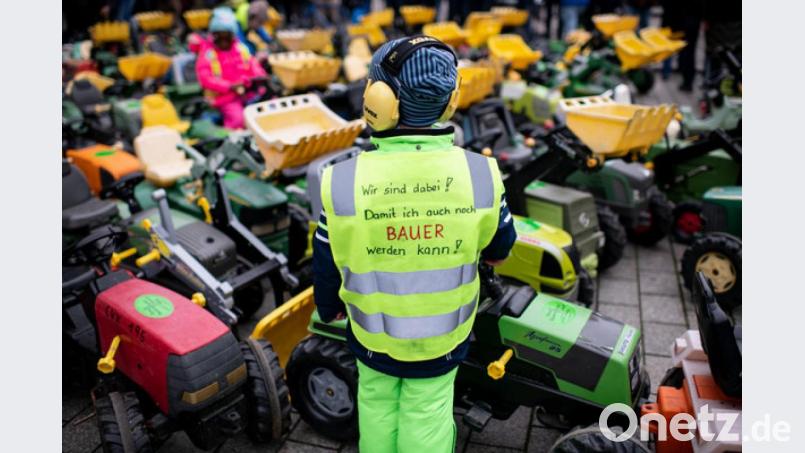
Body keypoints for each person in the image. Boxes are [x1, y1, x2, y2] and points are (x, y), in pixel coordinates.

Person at [312, 36, 517, 452]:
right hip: (443, 339)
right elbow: (500, 249)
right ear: (451, 100)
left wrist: (328, 306)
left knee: (376, 406)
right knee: (429, 412)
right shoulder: (482, 173)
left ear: (379, 100)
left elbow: (326, 259)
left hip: (373, 338)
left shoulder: (343, 179)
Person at [195, 7, 266, 129]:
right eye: (219, 37)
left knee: (267, 108)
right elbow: (205, 78)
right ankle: (233, 140)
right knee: (238, 120)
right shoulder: (208, 54)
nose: (224, 41)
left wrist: (260, 75)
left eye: (227, 36)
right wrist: (228, 86)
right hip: (224, 98)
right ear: (213, 35)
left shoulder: (240, 48)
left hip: (247, 93)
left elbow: (252, 64)